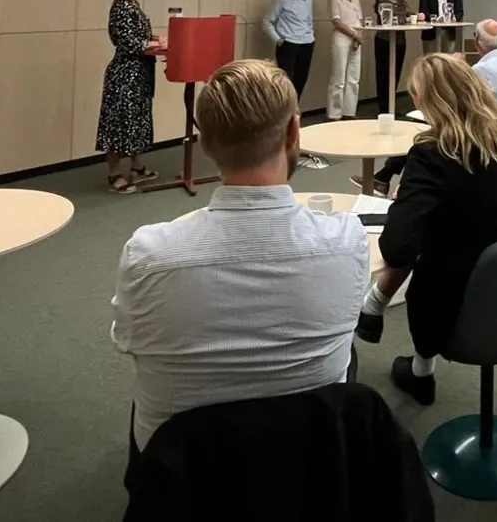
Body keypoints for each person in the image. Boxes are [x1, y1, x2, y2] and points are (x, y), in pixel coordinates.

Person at [113, 59, 367, 448]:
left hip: (179, 478)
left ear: (205, 143)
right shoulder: (347, 239)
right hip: (310, 463)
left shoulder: (148, 255)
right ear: (294, 132)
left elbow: (127, 337)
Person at [353, 54, 497, 405]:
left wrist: (408, 203)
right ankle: (400, 341)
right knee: (446, 231)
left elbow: (397, 248)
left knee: (429, 245)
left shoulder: (433, 154)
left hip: (464, 298)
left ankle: (421, 370)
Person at [352, 19, 497, 195]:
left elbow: (455, 100)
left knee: (428, 131)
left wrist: (456, 65)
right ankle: (385, 178)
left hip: (482, 130)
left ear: (477, 42)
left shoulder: (480, 69)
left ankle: (391, 180)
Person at [99, 0, 162, 194]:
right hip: (125, 74)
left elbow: (139, 35)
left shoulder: (131, 5)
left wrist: (155, 38)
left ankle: (138, 167)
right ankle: (114, 174)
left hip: (140, 72)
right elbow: (128, 43)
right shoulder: (122, 7)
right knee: (118, 124)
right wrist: (154, 43)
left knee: (138, 120)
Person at [264, 0, 316, 98]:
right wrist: (278, 40)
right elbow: (267, 22)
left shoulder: (308, 0)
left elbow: (309, 21)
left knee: (301, 80)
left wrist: (311, 35)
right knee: (286, 82)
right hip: (288, 44)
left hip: (306, 43)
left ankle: (294, 112)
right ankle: (285, 114)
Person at [327, 0, 364, 121]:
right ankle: (334, 114)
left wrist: (358, 38)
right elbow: (337, 21)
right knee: (339, 78)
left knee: (353, 77)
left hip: (356, 39)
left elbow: (359, 20)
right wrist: (354, 35)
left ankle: (349, 112)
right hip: (341, 38)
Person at [372, 0, 411, 116]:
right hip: (384, 41)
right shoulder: (382, 2)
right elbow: (388, 19)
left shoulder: (402, 2)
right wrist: (405, 19)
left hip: (400, 41)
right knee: (383, 75)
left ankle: (392, 105)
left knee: (396, 74)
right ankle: (383, 108)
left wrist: (416, 16)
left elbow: (409, 15)